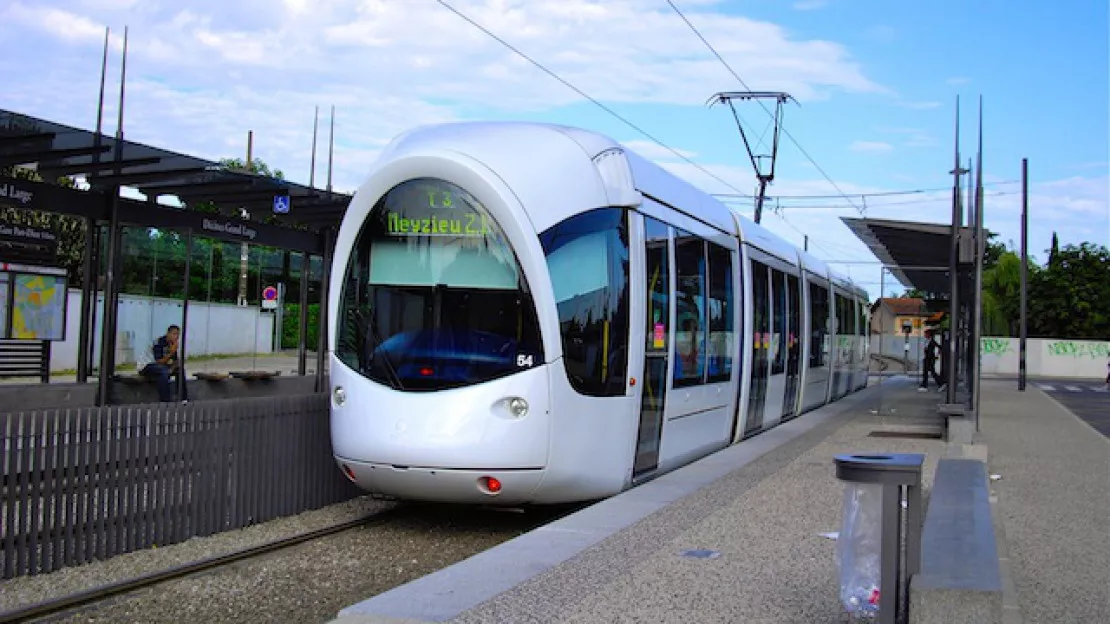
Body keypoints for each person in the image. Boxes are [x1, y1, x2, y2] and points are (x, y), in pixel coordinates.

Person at [141, 324, 188, 403]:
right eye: (174, 334)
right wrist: (171, 352)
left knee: (180, 370)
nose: (176, 337)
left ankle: (183, 398)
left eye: (177, 335)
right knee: (163, 371)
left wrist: (174, 367)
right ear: (168, 334)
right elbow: (159, 361)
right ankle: (165, 401)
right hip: (147, 366)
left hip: (161, 367)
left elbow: (174, 361)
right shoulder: (158, 343)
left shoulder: (172, 345)